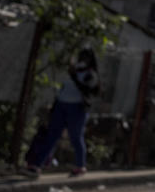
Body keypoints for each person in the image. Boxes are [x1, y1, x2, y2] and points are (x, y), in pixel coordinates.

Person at [24, 47, 101, 178]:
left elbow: (89, 90)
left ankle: (80, 166)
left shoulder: (90, 74)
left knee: (75, 137)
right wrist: (54, 107)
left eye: (85, 57)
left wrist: (75, 77)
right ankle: (36, 166)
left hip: (77, 108)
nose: (82, 59)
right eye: (81, 56)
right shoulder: (72, 70)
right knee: (52, 136)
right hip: (61, 105)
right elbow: (62, 89)